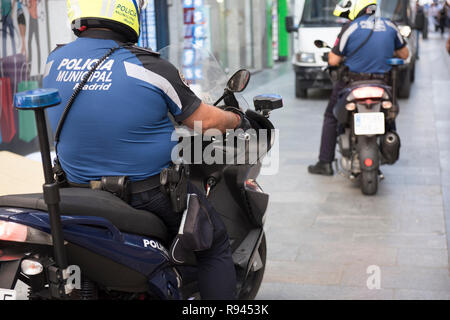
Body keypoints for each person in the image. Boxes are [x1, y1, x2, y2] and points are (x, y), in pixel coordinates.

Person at [42, 0, 245, 300]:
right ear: (126, 11)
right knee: (213, 241)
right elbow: (206, 121)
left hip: (74, 190)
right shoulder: (150, 66)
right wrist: (236, 118)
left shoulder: (54, 60)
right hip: (147, 195)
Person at [308, 0, 409, 176]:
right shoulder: (390, 25)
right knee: (390, 114)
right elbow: (405, 54)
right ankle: (390, 147)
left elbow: (333, 60)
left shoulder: (350, 27)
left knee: (331, 115)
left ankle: (325, 162)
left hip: (352, 83)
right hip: (382, 83)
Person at [25, 0, 41, 71]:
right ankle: (30, 65)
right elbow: (29, 7)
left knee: (37, 44)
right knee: (29, 42)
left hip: (34, 19)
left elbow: (31, 7)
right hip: (32, 19)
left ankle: (38, 67)